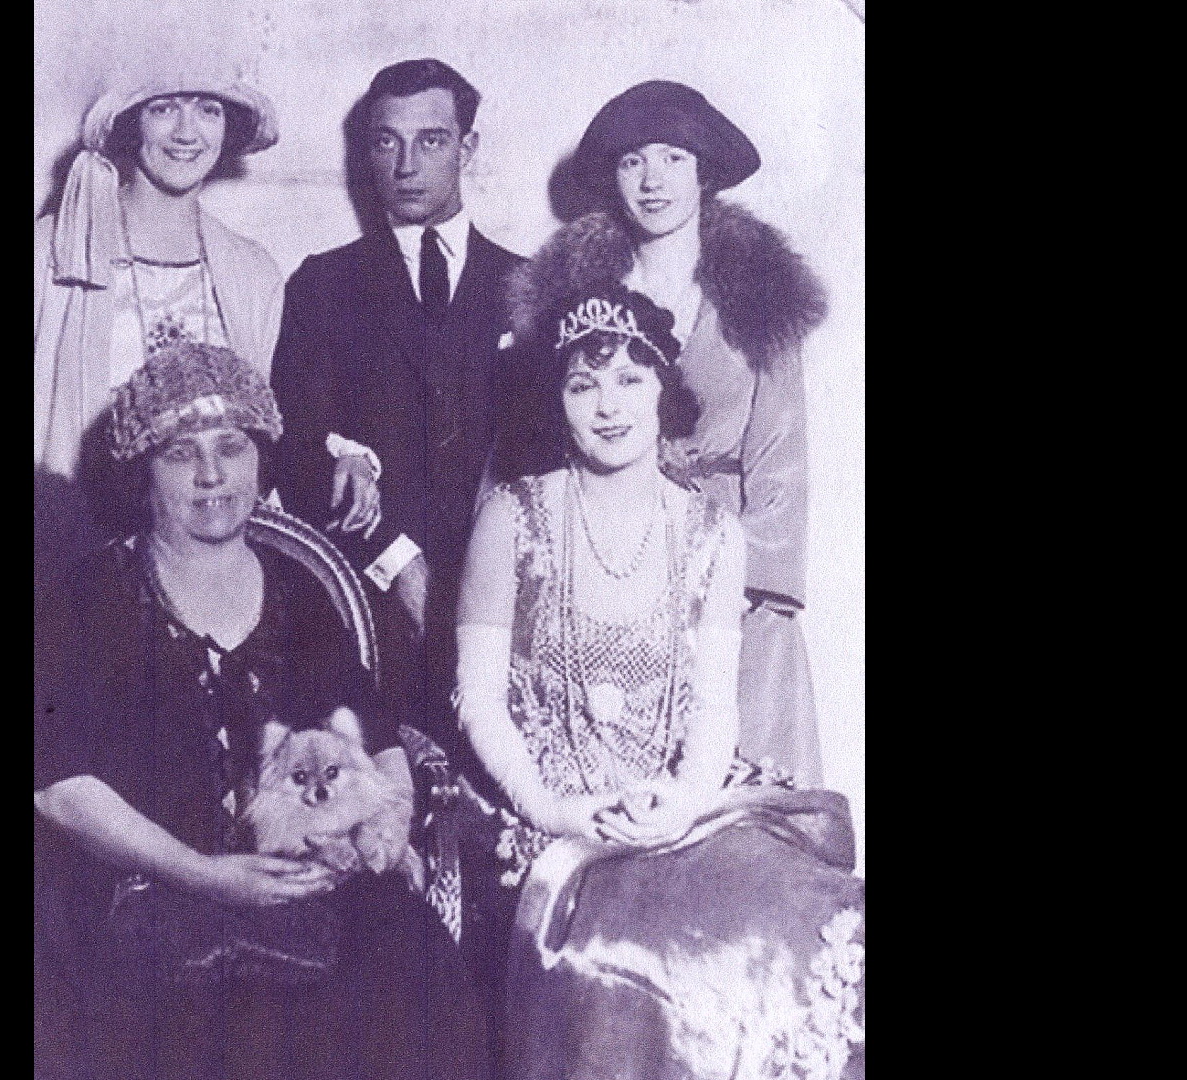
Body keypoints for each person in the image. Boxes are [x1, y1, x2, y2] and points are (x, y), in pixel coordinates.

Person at [34, 342, 489, 1080]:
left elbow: (380, 745)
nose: (212, 475)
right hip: (148, 899)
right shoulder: (91, 598)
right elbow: (59, 788)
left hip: (312, 890)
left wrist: (381, 837)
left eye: (232, 448)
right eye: (181, 453)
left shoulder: (301, 594)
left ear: (259, 460)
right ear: (143, 470)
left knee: (416, 974)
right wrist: (203, 874)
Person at [457, 288, 864, 1080]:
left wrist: (680, 802)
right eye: (584, 384)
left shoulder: (713, 533)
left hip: (683, 810)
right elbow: (478, 700)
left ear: (663, 391)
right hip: (552, 823)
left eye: (630, 380)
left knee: (807, 923)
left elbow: (713, 709)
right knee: (643, 957)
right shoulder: (511, 518)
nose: (608, 406)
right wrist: (558, 809)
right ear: (557, 399)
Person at [502, 80, 831, 788]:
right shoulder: (572, 297)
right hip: (611, 562)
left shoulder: (760, 293)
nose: (653, 181)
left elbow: (781, 460)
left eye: (673, 158)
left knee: (747, 798)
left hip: (733, 576)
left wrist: (746, 586)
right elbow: (537, 448)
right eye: (632, 161)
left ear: (704, 171)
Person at [268, 58, 527, 799]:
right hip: (371, 614)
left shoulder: (530, 285)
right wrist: (396, 562)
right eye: (386, 142)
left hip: (508, 615)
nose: (406, 165)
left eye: (431, 140)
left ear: (468, 148)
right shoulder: (322, 284)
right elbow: (295, 450)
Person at [34, 70, 286, 482]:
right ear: (130, 121)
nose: (187, 133)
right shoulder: (49, 253)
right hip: (78, 514)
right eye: (163, 109)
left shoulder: (253, 272)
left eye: (209, 110)